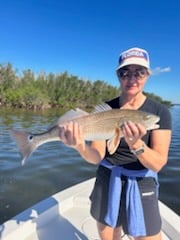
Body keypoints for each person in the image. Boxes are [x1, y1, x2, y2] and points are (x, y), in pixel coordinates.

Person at [59, 47, 172, 240]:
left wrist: (136, 145)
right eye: (125, 72)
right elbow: (96, 156)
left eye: (140, 72)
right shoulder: (104, 110)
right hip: (107, 178)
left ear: (148, 75)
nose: (132, 78)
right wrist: (78, 145)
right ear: (118, 75)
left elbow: (158, 163)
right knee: (109, 235)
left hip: (142, 181)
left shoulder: (159, 113)